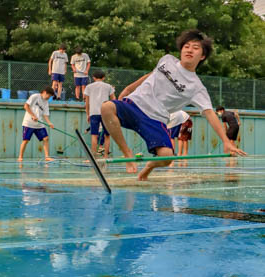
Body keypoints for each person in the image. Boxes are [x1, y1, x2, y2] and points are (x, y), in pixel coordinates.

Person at [100, 30, 247, 180]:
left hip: (155, 119)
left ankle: (147, 169)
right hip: (134, 104)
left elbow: (209, 113)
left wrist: (226, 141)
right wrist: (129, 88)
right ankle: (127, 153)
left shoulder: (196, 87)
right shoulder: (167, 60)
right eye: (187, 46)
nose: (190, 50)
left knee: (166, 157)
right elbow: (152, 74)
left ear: (202, 56)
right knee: (106, 107)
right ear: (181, 49)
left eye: (196, 48)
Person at [84, 70, 116, 158]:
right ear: (104, 78)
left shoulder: (89, 87)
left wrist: (88, 114)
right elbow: (114, 99)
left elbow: (87, 102)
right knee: (107, 135)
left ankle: (93, 156)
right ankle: (105, 156)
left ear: (94, 77)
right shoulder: (108, 86)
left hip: (94, 112)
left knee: (94, 135)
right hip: (106, 112)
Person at [18, 87, 55, 162]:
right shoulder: (35, 96)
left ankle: (47, 156)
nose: (49, 97)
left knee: (46, 138)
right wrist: (33, 115)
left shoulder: (46, 102)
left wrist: (49, 123)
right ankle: (20, 157)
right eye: (49, 96)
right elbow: (26, 106)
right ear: (44, 92)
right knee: (26, 140)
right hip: (29, 123)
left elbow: (45, 114)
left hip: (39, 124)